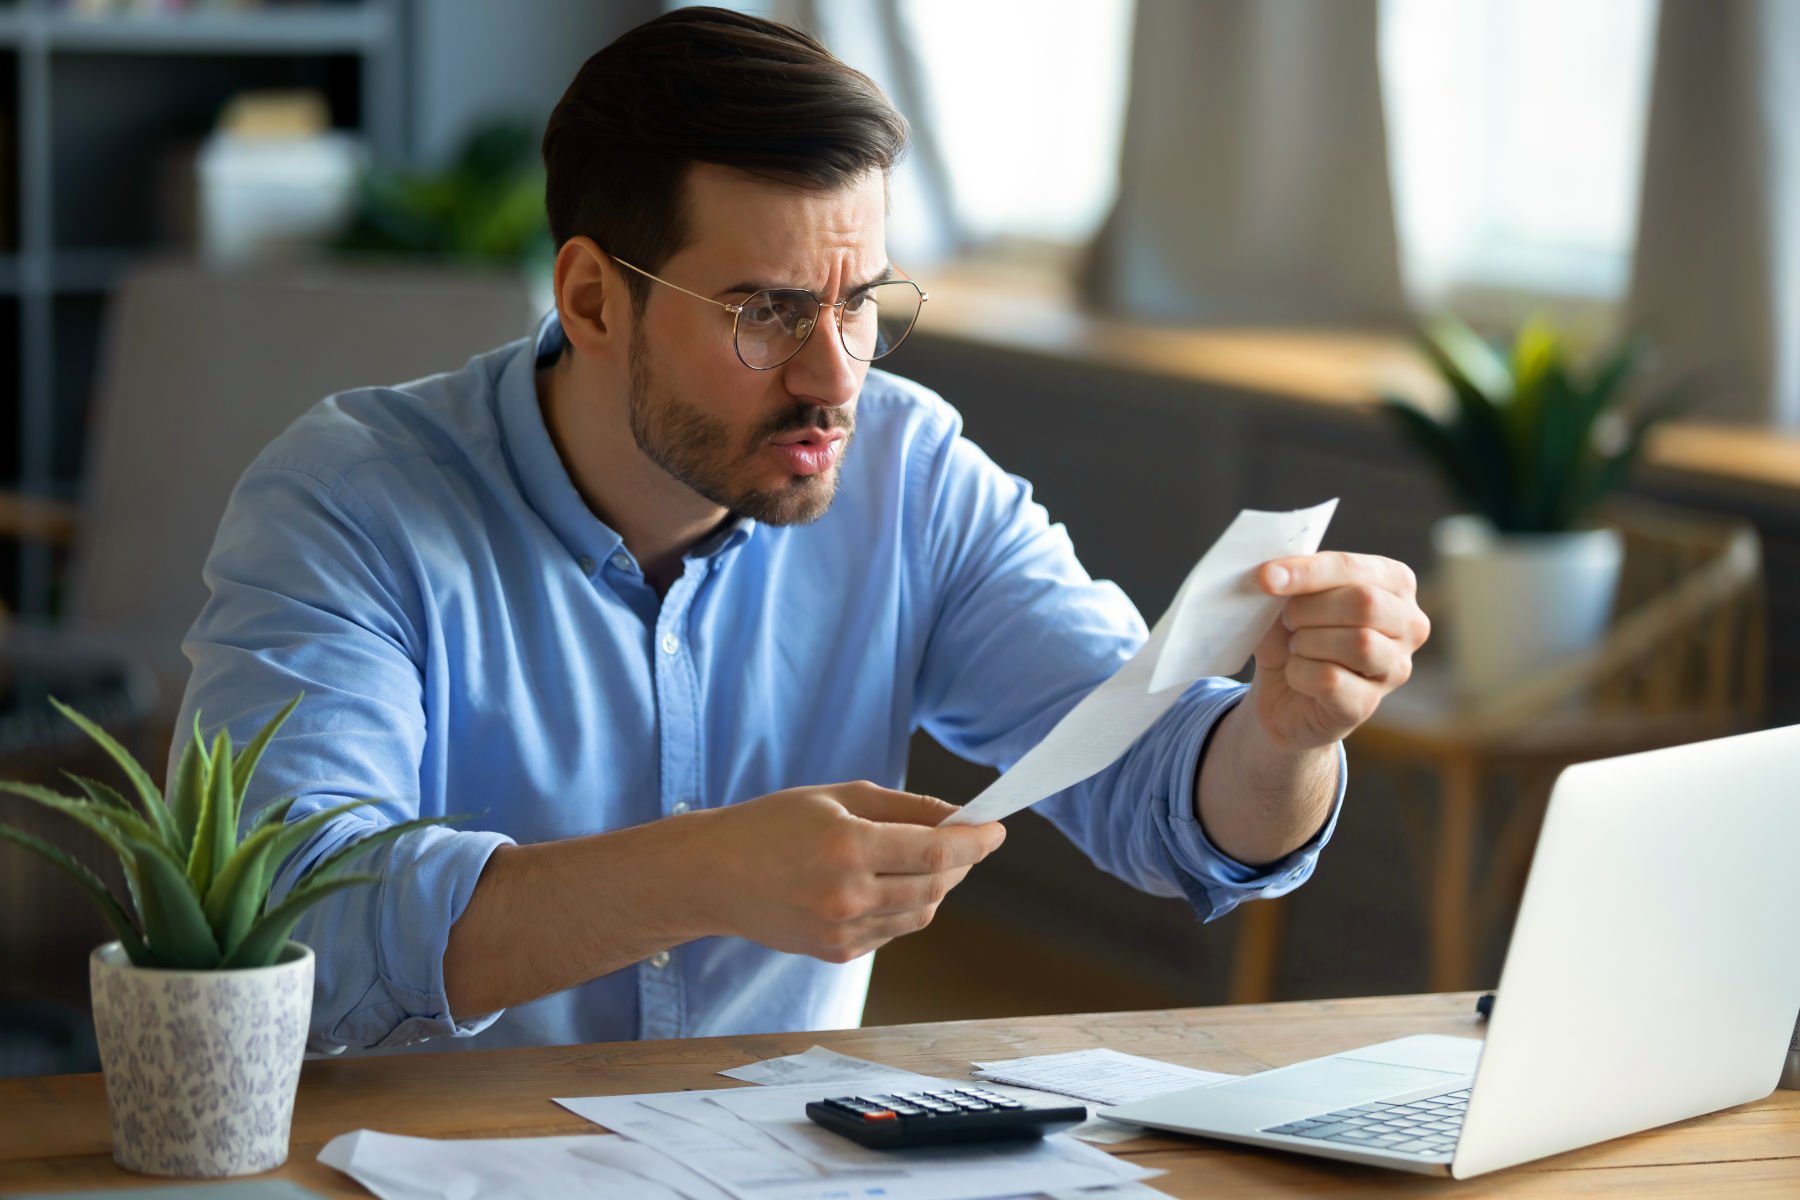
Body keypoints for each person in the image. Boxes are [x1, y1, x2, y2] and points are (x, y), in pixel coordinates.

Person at [174, 6, 1428, 1055]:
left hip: (779, 1164)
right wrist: (701, 873)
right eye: (766, 313)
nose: (836, 379)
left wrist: (1282, 737)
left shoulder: (911, 471)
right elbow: (293, 926)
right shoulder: (348, 502)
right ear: (593, 296)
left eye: (863, 302)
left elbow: (1166, 807)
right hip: (422, 1169)